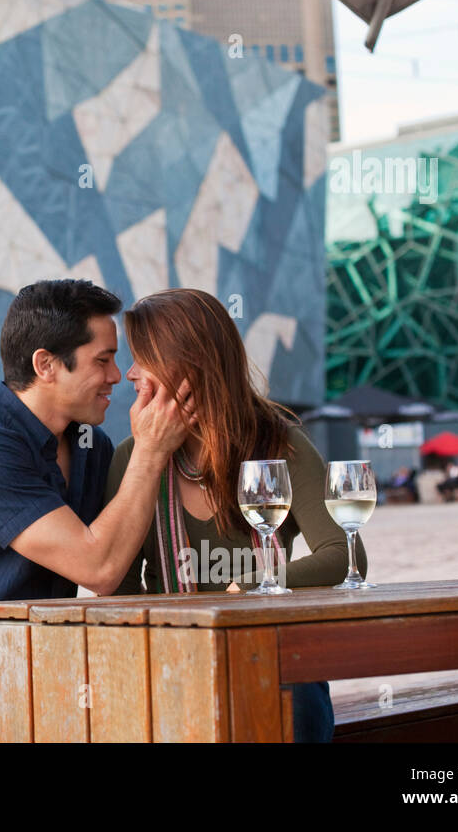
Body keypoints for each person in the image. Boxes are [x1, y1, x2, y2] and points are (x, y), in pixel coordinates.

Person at [0, 280, 194, 742]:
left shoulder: (90, 446)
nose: (117, 375)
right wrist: (149, 452)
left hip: (26, 689)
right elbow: (98, 566)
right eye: (102, 360)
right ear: (45, 365)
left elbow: (122, 554)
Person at [106, 289, 369, 743]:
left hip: (271, 653)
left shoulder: (278, 442)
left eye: (142, 359)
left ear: (185, 365)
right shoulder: (133, 457)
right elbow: (120, 590)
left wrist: (249, 589)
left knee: (294, 683)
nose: (130, 374)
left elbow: (344, 556)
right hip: (176, 659)